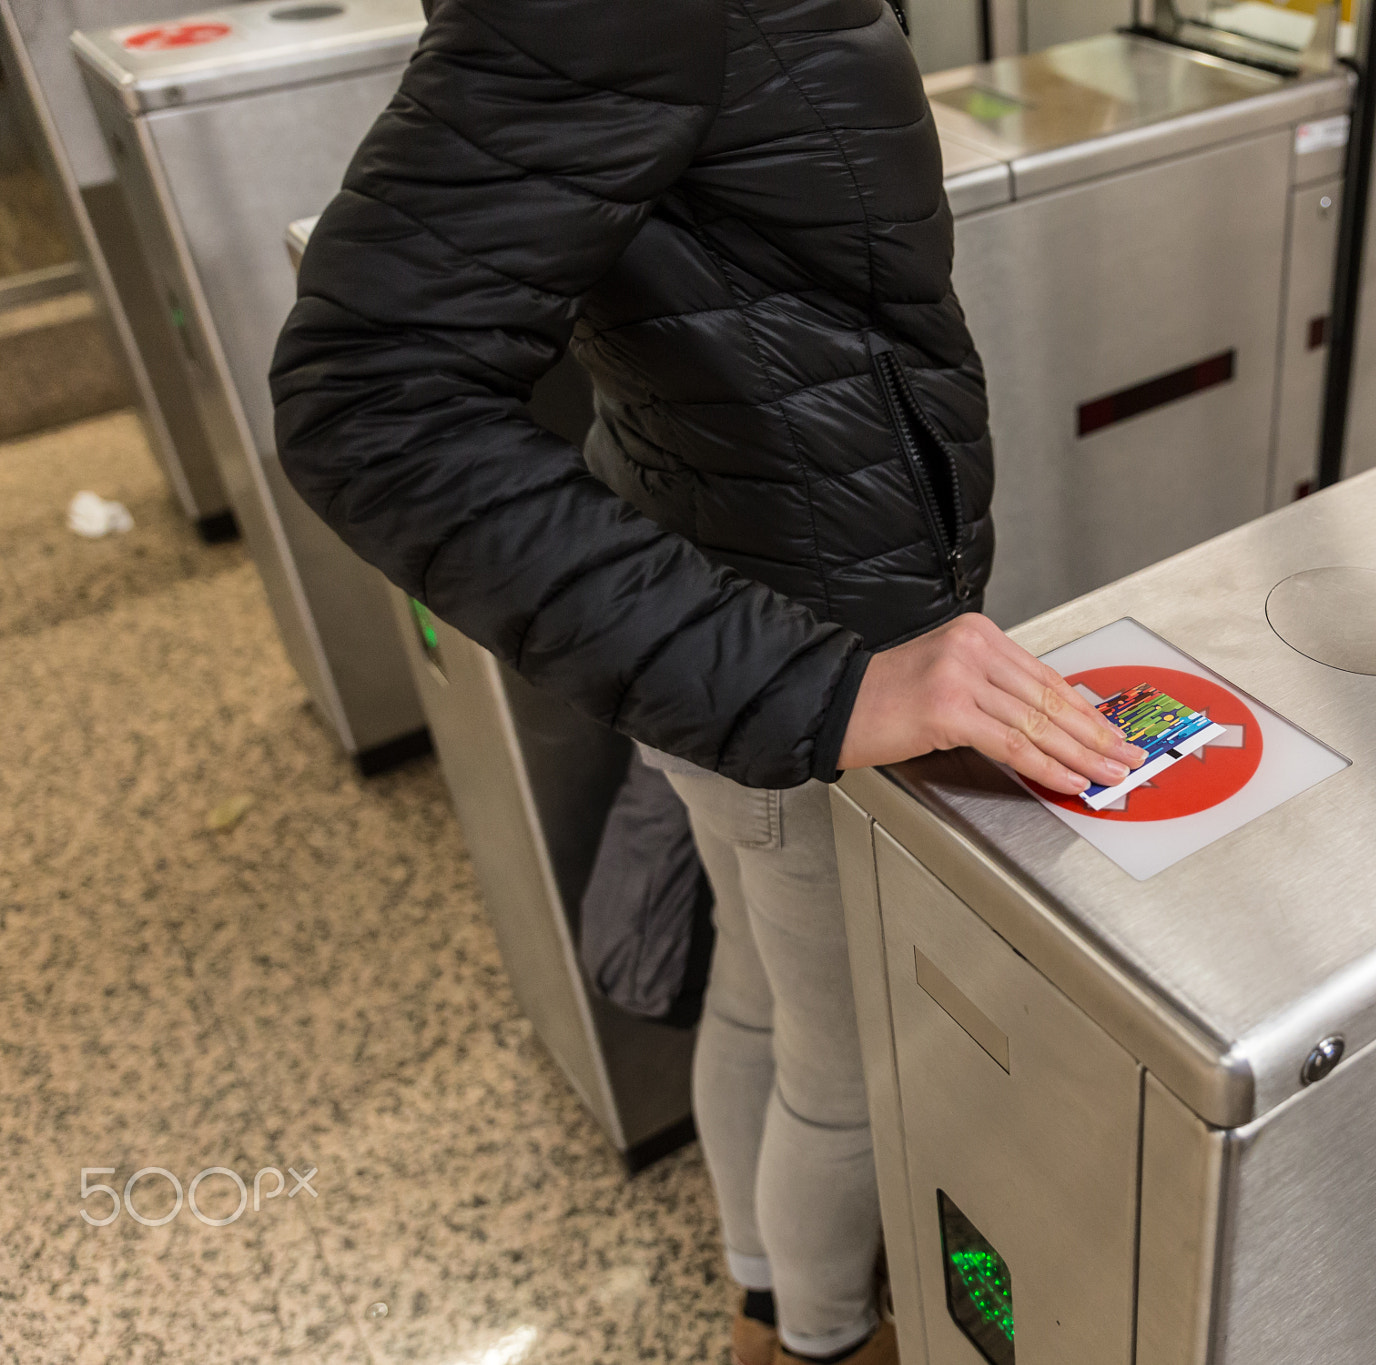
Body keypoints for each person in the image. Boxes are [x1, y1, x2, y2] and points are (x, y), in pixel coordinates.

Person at [269, 2, 1144, 1363]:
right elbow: (368, 401)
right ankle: (820, 1336)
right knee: (848, 1064)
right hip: (790, 638)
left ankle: (759, 1287)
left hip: (735, 589)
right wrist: (820, 688)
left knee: (764, 986)